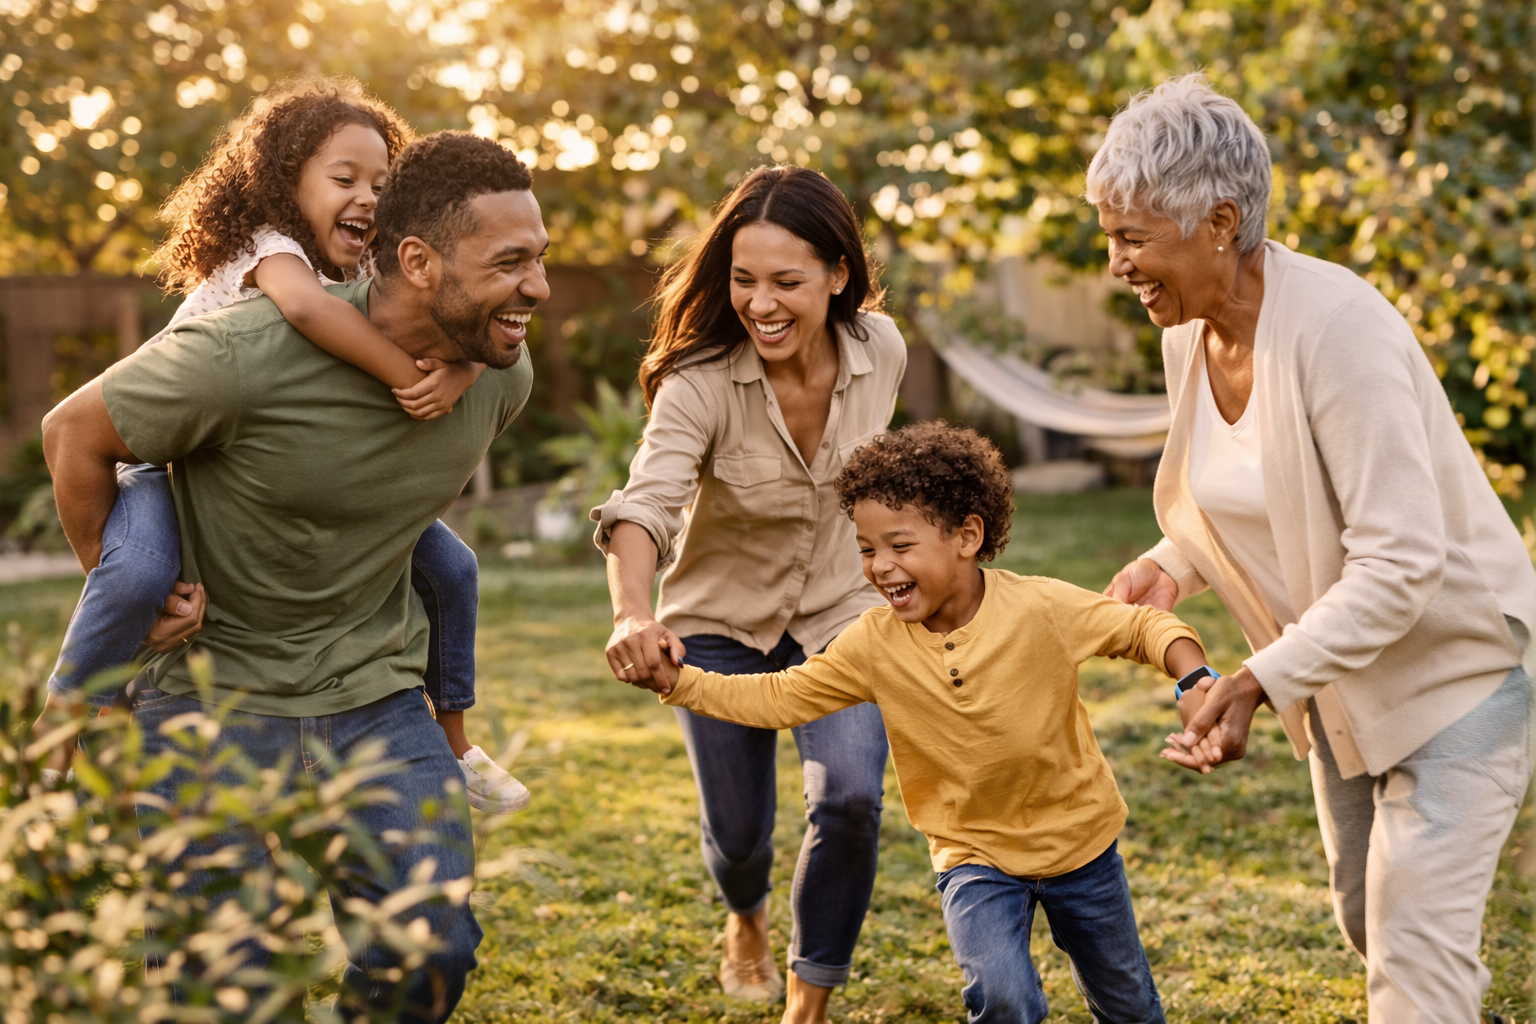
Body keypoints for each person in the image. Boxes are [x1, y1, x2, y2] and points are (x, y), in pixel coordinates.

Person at [39, 130, 548, 1021]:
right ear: (419, 261)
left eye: (539, 262)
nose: (538, 290)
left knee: (432, 953)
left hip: (376, 699)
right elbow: (71, 433)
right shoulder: (243, 354)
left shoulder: (499, 377)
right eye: (511, 265)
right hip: (208, 699)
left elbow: (390, 505)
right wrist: (122, 579)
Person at [1089, 74, 1536, 1024]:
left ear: (1218, 221)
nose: (1117, 263)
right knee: (1371, 923)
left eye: (1132, 237)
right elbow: (1255, 487)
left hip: (1457, 678)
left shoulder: (1339, 329)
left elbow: (1401, 562)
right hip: (1341, 686)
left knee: (1413, 952)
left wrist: (1254, 681)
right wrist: (1173, 564)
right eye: (1111, 237)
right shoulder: (1189, 333)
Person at [41, 77, 527, 814]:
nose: (367, 195)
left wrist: (460, 368)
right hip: (164, 467)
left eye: (381, 182)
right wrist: (410, 377)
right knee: (138, 574)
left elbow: (448, 306)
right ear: (283, 183)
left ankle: (454, 739)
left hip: (273, 487)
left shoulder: (365, 270)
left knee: (453, 569)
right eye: (344, 179)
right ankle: (66, 717)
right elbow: (305, 311)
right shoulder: (269, 252)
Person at [631, 422, 1207, 1024]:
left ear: (967, 536)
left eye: (899, 546)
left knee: (1129, 1007)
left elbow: (1142, 627)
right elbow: (782, 696)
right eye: (866, 548)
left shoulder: (1040, 608)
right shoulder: (873, 645)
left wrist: (1194, 677)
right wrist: (681, 682)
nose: (880, 567)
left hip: (1081, 847)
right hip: (973, 856)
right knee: (1004, 998)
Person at [593, 165, 904, 1022]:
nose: (760, 303)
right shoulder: (698, 383)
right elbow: (646, 504)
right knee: (739, 837)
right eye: (742, 279)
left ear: (838, 276)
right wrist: (632, 610)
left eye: (785, 282)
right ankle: (746, 918)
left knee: (848, 796)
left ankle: (809, 999)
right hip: (719, 629)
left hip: (843, 616)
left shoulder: (883, 351)